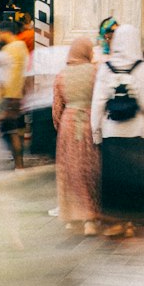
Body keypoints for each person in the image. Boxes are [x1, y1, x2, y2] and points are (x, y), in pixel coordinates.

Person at [90, 23, 144, 236]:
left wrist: (95, 132)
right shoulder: (143, 68)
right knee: (134, 179)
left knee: (113, 180)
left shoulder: (105, 68)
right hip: (136, 132)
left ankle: (116, 222)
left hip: (111, 133)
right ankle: (133, 223)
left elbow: (98, 103)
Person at [52, 37, 101, 234]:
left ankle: (72, 218)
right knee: (90, 170)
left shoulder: (61, 76)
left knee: (69, 171)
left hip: (69, 125)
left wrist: (60, 126)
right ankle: (90, 219)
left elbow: (56, 109)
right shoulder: (95, 73)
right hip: (89, 121)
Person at [0, 19, 29, 171]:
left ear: (5, 32)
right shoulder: (22, 46)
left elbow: (2, 76)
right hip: (19, 94)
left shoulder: (8, 50)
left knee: (10, 131)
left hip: (7, 95)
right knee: (18, 131)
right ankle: (19, 164)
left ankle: (18, 165)